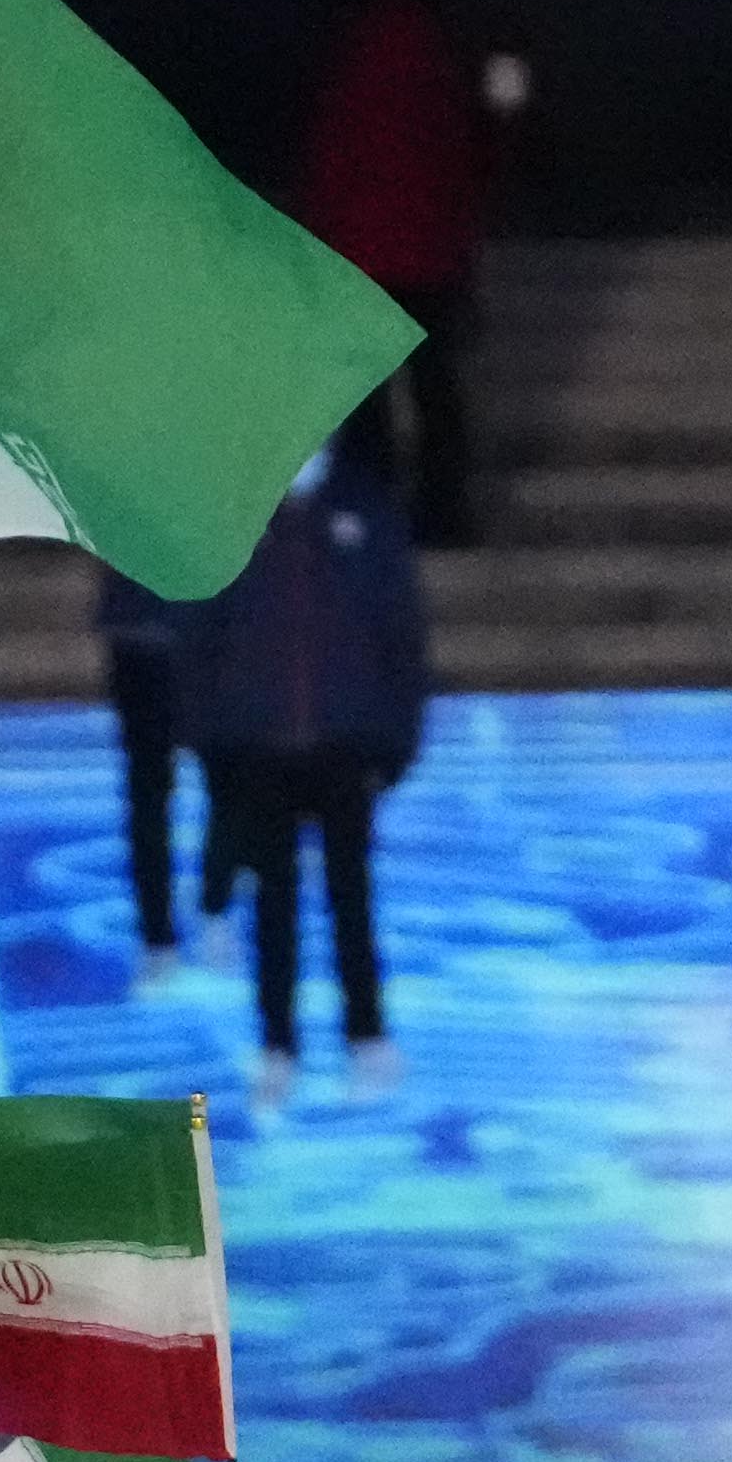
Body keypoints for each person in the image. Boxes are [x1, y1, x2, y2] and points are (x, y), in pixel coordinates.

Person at [193, 433, 429, 1085]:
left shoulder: (366, 509)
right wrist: (214, 732)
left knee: (351, 895)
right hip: (260, 744)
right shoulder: (231, 510)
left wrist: (397, 735)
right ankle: (277, 1043)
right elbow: (201, 628)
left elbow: (401, 629)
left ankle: (366, 1031)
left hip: (344, 741)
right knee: (273, 901)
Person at [295, 0, 492, 539]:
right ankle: (444, 514)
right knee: (435, 391)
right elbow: (461, 165)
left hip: (364, 258)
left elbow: (330, 165)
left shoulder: (352, 69)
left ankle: (372, 514)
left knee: (368, 404)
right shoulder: (438, 70)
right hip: (429, 257)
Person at [83, 560, 197, 948]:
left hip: (199, 633)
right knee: (150, 792)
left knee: (231, 780)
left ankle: (201, 910)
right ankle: (158, 928)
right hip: (147, 640)